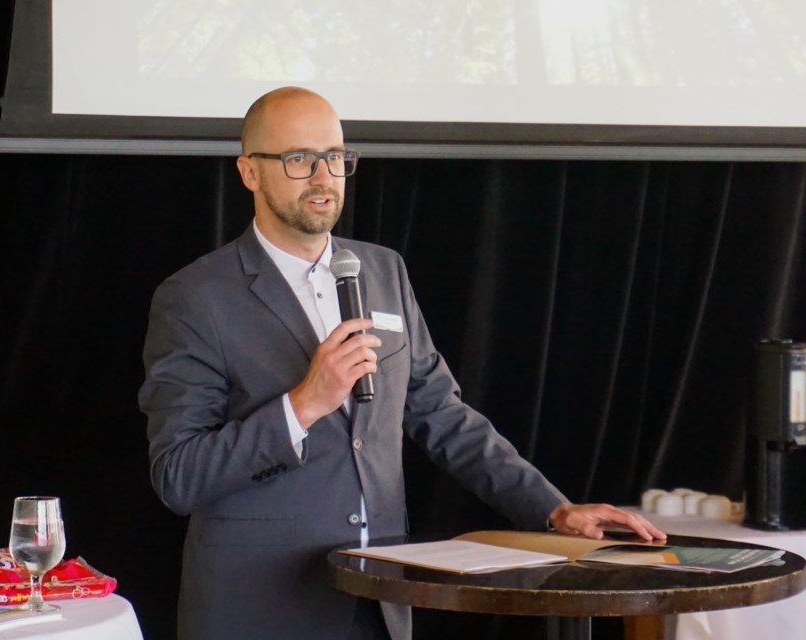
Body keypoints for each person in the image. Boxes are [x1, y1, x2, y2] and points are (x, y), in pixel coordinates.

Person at [138, 86, 665, 640]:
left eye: (335, 157)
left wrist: (553, 510)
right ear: (250, 172)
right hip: (261, 608)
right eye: (298, 159)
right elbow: (179, 475)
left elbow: (442, 414)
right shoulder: (196, 297)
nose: (323, 176)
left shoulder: (381, 271)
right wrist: (303, 405)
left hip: (379, 598)